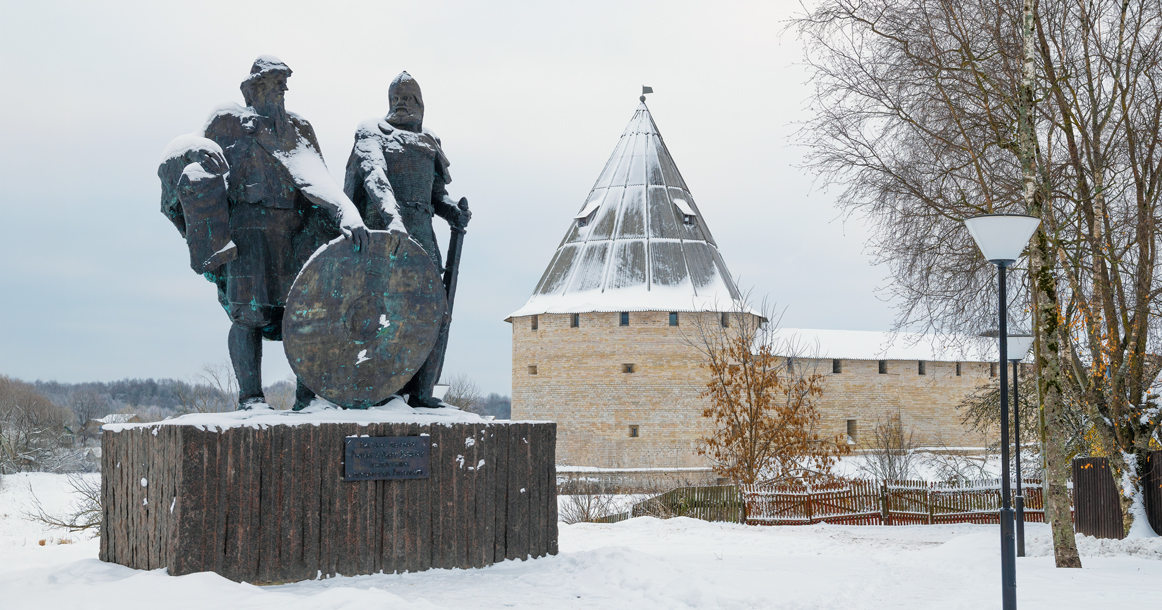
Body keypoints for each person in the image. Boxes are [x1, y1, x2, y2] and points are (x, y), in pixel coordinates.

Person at [164, 55, 370, 409]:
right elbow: (176, 158)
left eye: (283, 86)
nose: (281, 91)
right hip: (248, 235)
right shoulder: (226, 122)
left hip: (295, 235)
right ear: (253, 89)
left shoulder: (299, 129)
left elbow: (317, 179)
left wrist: (345, 211)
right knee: (248, 314)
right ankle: (251, 398)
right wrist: (196, 153)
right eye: (275, 84)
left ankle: (308, 397)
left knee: (305, 314)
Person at [344, 71, 471, 408]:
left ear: (420, 103)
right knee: (380, 314)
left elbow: (435, 196)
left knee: (437, 314)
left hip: (423, 239)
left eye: (408, 98)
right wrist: (392, 218)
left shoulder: (429, 142)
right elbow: (374, 178)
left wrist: (453, 213)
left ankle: (421, 391)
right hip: (382, 238)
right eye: (396, 98)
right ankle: (376, 388)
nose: (401, 104)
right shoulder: (371, 132)